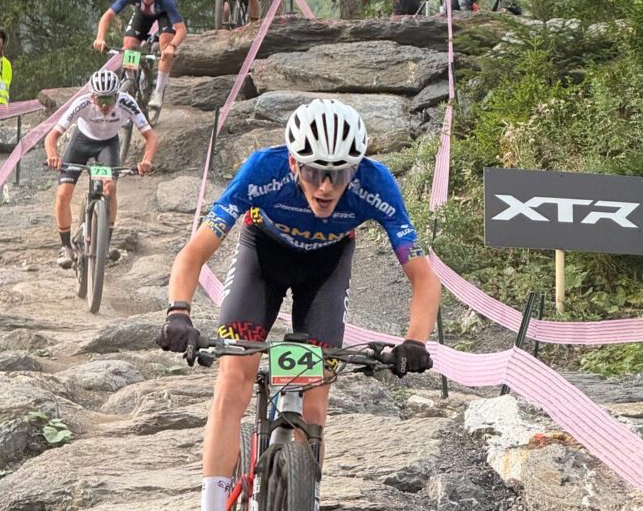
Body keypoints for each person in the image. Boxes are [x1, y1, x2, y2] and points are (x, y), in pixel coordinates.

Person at [156, 98, 440, 511]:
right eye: (313, 172)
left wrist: (415, 342)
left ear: (355, 170)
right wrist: (178, 310)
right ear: (293, 164)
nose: (325, 187)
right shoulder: (262, 170)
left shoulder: (376, 185)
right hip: (263, 259)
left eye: (338, 174)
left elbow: (424, 276)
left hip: (325, 270)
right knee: (234, 380)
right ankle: (212, 504)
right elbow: (194, 251)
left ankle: (307, 497)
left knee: (314, 398)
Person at [44, 69, 158, 269]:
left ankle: (105, 243)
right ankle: (66, 246)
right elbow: (51, 136)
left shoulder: (126, 102)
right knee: (63, 194)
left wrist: (146, 161)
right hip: (81, 142)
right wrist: (53, 155)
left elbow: (151, 137)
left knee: (110, 189)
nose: (105, 105)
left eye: (109, 99)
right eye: (100, 100)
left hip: (108, 145)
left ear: (117, 95)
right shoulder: (83, 103)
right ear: (92, 96)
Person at [93, 0, 187, 110]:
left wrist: (172, 47)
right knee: (129, 46)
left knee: (165, 46)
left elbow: (181, 30)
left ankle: (158, 92)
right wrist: (100, 37)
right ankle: (130, 81)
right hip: (143, 14)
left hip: (164, 15)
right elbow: (107, 16)